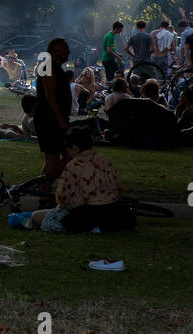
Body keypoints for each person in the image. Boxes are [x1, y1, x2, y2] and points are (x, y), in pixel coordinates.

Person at [16, 128, 133, 233]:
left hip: (90, 213)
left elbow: (63, 199)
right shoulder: (104, 160)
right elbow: (117, 187)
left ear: (75, 148)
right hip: (118, 212)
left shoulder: (74, 165)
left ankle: (94, 228)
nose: (68, 153)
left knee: (38, 217)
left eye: (68, 149)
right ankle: (101, 227)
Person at [33, 37, 73, 181]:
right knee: (59, 157)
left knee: (55, 158)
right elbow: (50, 96)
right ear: (55, 51)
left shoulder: (54, 67)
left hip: (53, 119)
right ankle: (44, 189)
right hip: (49, 119)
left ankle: (44, 190)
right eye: (65, 48)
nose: (68, 51)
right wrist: (61, 120)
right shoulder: (48, 67)